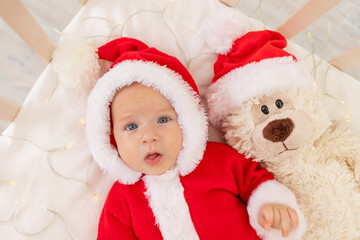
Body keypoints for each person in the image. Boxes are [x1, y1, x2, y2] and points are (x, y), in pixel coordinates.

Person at [85, 37, 306, 240]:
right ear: (111, 139)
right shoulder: (122, 199)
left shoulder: (216, 159)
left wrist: (271, 204)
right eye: (131, 126)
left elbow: (255, 180)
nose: (149, 136)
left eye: (163, 120)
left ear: (186, 120)